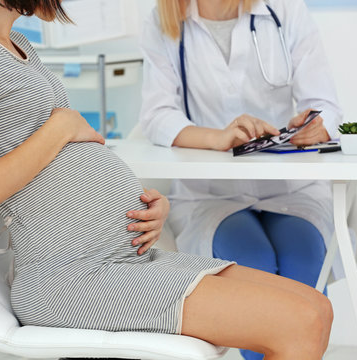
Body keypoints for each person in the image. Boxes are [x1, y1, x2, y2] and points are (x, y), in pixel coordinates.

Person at [0, 0, 333, 358]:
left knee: (316, 309)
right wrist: (60, 129)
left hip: (121, 259)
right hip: (71, 277)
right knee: (296, 321)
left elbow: (56, 169)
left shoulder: (17, 46)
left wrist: (139, 205)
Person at [140, 0, 342, 358]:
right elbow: (157, 115)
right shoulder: (164, 19)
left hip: (290, 190)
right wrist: (216, 137)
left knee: (304, 259)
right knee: (250, 260)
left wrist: (318, 124)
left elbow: (324, 102)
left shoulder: (285, 9)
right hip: (211, 194)